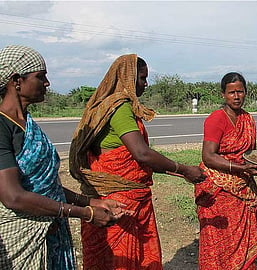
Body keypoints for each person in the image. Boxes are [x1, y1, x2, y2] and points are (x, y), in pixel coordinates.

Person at [69, 54, 205, 269]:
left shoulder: (112, 107)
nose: (145, 84)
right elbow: (141, 154)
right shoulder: (119, 108)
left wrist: (180, 174)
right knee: (123, 259)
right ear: (128, 79)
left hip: (125, 194)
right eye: (142, 78)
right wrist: (184, 168)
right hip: (120, 201)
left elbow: (138, 160)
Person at [0, 45, 125, 269]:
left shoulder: (28, 124)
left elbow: (47, 186)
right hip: (19, 238)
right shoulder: (2, 127)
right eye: (41, 76)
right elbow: (13, 196)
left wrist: (91, 201)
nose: (47, 83)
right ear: (17, 81)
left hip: (51, 233)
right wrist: (85, 213)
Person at [195, 72, 257, 270]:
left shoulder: (248, 119)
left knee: (244, 240)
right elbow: (209, 156)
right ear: (223, 95)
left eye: (240, 91)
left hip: (242, 186)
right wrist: (239, 168)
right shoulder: (216, 119)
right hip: (218, 189)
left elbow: (249, 153)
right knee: (220, 242)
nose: (236, 96)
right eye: (231, 92)